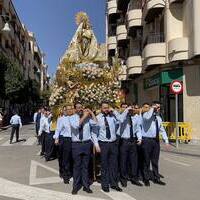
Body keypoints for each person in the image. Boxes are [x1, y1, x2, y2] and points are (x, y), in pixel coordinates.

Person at [69, 102, 98, 195]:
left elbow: (96, 123)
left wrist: (91, 113)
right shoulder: (72, 118)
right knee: (77, 166)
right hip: (76, 145)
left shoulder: (87, 117)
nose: (80, 109)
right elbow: (77, 125)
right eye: (78, 107)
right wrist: (85, 116)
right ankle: (75, 186)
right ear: (75, 109)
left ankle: (86, 186)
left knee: (86, 166)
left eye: (81, 107)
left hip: (86, 144)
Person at [140, 102, 169, 187]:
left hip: (155, 141)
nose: (157, 109)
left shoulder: (158, 118)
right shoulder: (145, 115)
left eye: (159, 107)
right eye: (156, 107)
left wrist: (166, 141)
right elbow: (148, 117)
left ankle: (157, 178)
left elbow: (162, 130)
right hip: (147, 141)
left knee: (155, 161)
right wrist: (152, 109)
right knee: (146, 161)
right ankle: (146, 179)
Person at [95, 102, 122, 193]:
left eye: (107, 108)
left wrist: (114, 111)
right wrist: (96, 145)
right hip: (103, 144)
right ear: (101, 108)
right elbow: (94, 133)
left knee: (114, 165)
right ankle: (105, 184)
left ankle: (114, 184)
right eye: (104, 108)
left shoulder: (113, 116)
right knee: (104, 165)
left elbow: (121, 120)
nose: (106, 109)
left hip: (113, 143)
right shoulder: (98, 118)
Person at [114, 103, 143, 187]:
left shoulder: (136, 117)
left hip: (133, 141)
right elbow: (121, 120)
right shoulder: (122, 117)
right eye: (126, 108)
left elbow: (138, 129)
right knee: (123, 160)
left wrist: (139, 138)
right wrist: (126, 111)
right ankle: (123, 178)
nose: (129, 109)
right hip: (124, 141)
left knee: (134, 161)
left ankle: (134, 178)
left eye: (129, 108)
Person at [54, 105, 73, 184]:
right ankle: (65, 175)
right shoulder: (61, 119)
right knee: (63, 158)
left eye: (69, 109)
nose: (68, 111)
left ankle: (68, 173)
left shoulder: (74, 118)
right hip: (64, 139)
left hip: (73, 140)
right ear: (64, 111)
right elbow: (58, 129)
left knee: (69, 158)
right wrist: (56, 138)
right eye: (66, 110)